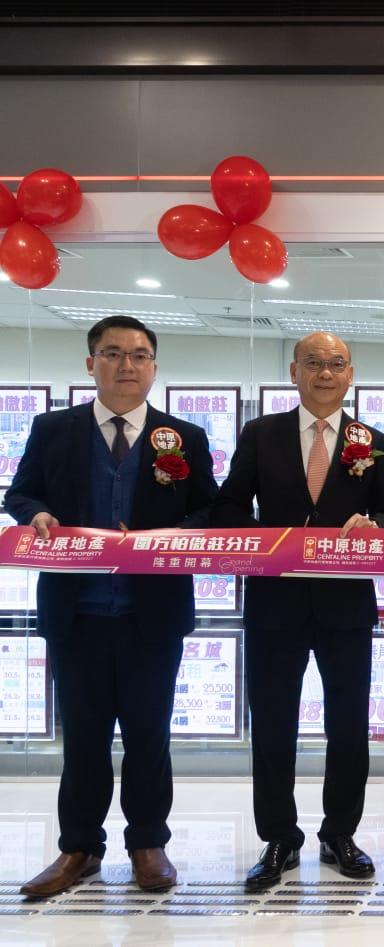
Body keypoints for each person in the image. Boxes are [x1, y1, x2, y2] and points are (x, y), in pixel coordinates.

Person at [4, 315, 217, 897]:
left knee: (149, 735)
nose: (127, 365)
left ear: (154, 367)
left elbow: (210, 508)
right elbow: (20, 492)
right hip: (76, 614)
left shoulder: (183, 436)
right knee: (84, 738)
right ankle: (79, 848)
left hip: (154, 615)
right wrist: (35, 514)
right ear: (90, 362)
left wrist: (177, 534)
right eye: (113, 353)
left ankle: (148, 844)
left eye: (140, 355)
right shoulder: (54, 429)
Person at [212, 332, 384, 891]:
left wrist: (374, 525)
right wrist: (272, 541)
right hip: (275, 603)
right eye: (313, 363)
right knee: (274, 725)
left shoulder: (373, 440)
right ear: (294, 372)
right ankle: (278, 838)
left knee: (349, 727)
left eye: (336, 364)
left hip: (346, 606)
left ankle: (340, 833)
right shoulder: (261, 433)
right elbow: (228, 507)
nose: (325, 373)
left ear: (351, 375)